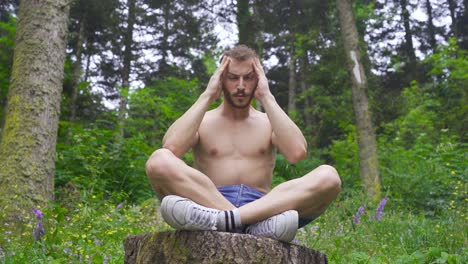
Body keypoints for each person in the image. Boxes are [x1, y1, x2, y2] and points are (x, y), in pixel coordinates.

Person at [145, 45, 341, 242]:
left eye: (248, 77)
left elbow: (297, 153)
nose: (241, 85)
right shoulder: (203, 120)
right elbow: (171, 148)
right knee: (158, 160)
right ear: (221, 80)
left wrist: (267, 96)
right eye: (232, 78)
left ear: (258, 80)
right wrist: (207, 95)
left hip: (263, 208)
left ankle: (229, 221)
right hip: (206, 204)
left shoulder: (268, 122)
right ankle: (247, 226)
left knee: (329, 177)